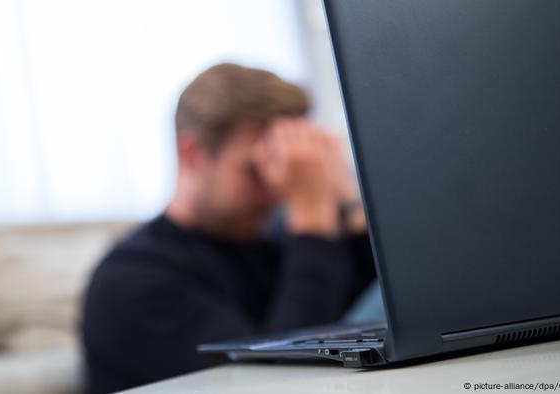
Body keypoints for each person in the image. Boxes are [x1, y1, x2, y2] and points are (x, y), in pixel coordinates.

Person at [82, 63, 376, 393]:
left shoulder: (271, 247)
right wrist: (310, 212)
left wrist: (343, 197)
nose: (277, 190)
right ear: (193, 154)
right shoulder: (132, 279)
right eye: (255, 171)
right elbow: (276, 384)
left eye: (282, 167)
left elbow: (378, 316)